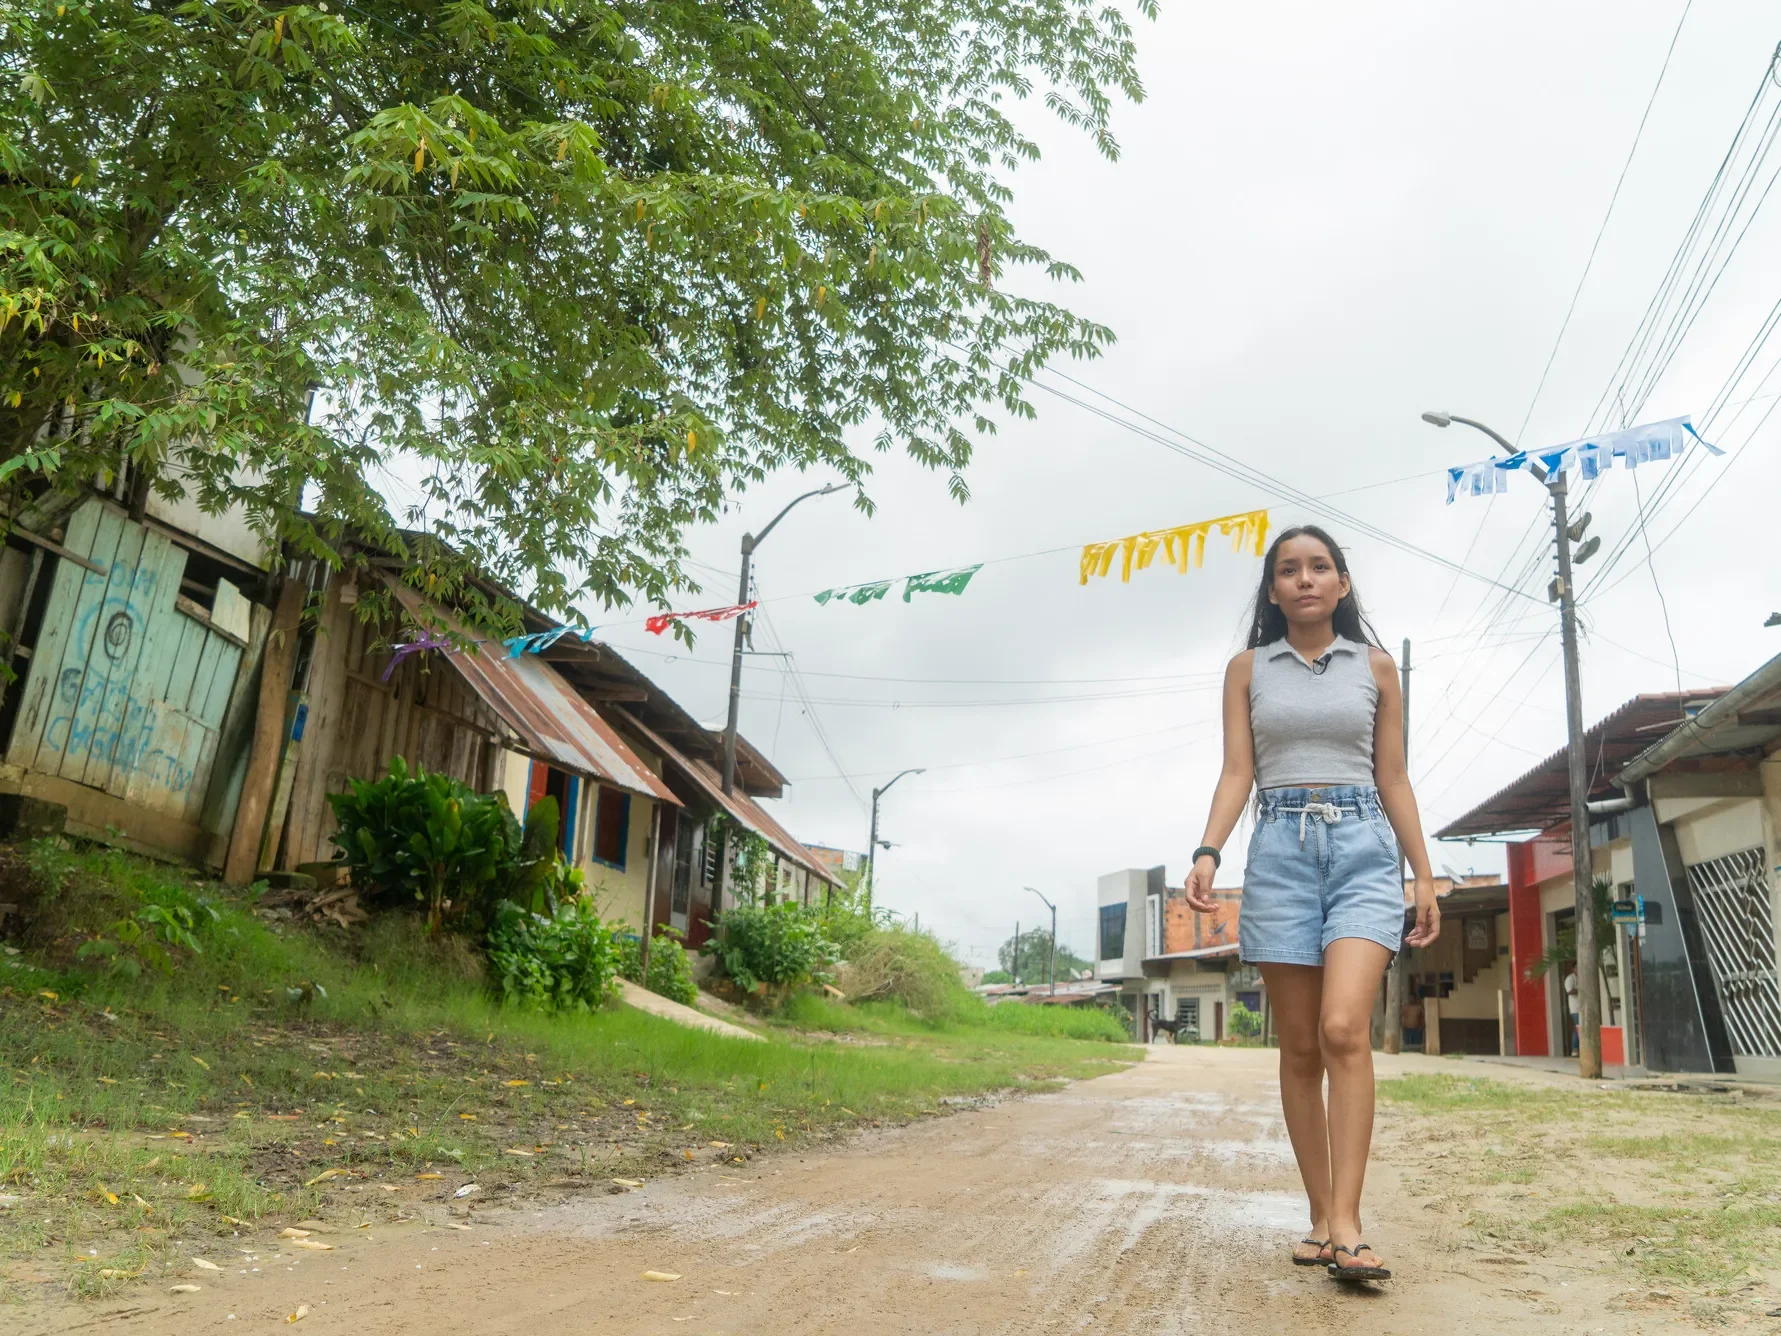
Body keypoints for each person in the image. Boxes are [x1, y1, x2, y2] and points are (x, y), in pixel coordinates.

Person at [1185, 524, 1439, 1284]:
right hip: (1279, 853)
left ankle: (1351, 1227)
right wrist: (1207, 850)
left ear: (1341, 583)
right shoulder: (1245, 669)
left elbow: (1393, 777)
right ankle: (1321, 1217)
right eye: (1288, 570)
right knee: (1298, 1050)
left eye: (1318, 567)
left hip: (1363, 849)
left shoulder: (1377, 667)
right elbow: (1237, 770)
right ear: (1272, 590)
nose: (1304, 580)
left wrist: (1422, 876)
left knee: (1341, 1029)